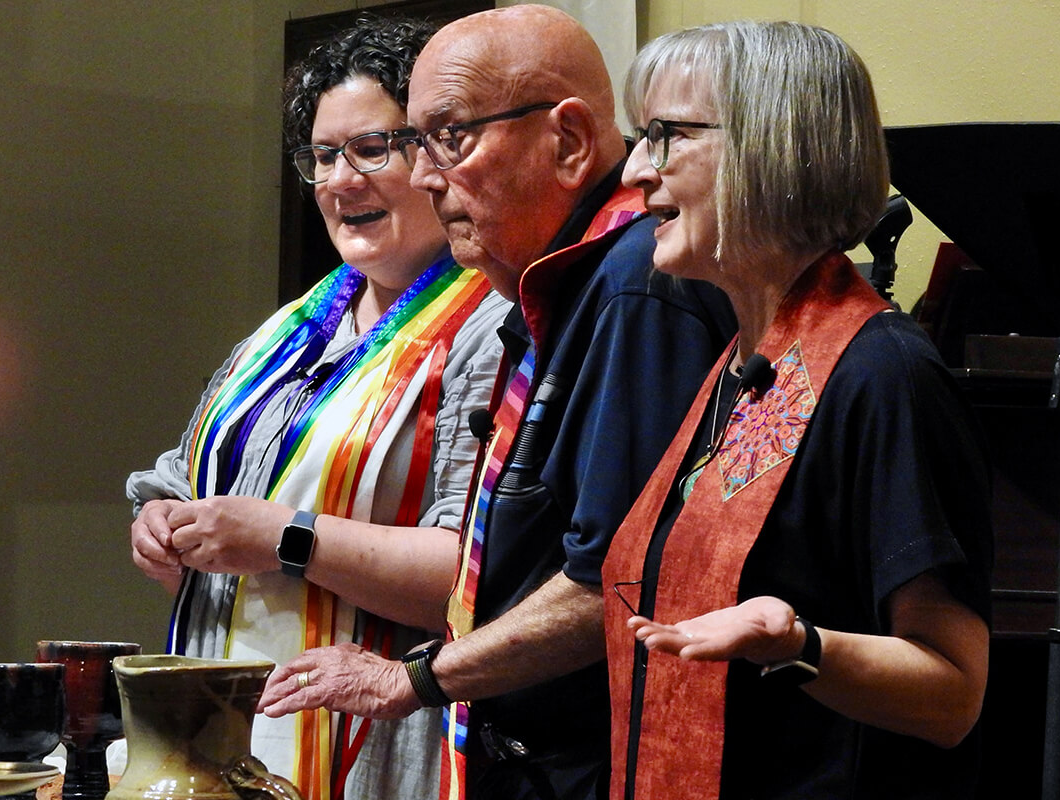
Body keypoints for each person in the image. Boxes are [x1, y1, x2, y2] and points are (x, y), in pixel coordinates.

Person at [257, 6, 736, 799]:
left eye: (450, 137)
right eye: (415, 143)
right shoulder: (560, 284)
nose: (421, 175)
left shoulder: (637, 287)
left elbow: (618, 583)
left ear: (571, 142)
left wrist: (414, 679)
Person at [602, 20, 993, 799]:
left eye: (664, 135)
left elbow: (954, 693)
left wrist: (800, 645)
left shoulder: (884, 372)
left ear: (772, 145)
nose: (637, 168)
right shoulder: (744, 360)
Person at [125, 16, 510, 800]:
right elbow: (178, 478)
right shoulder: (285, 332)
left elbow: (478, 571)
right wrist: (161, 528)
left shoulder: (491, 325)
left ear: (439, 151)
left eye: (372, 148)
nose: (340, 181)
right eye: (324, 156)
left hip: (380, 732)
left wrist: (284, 539)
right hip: (222, 731)